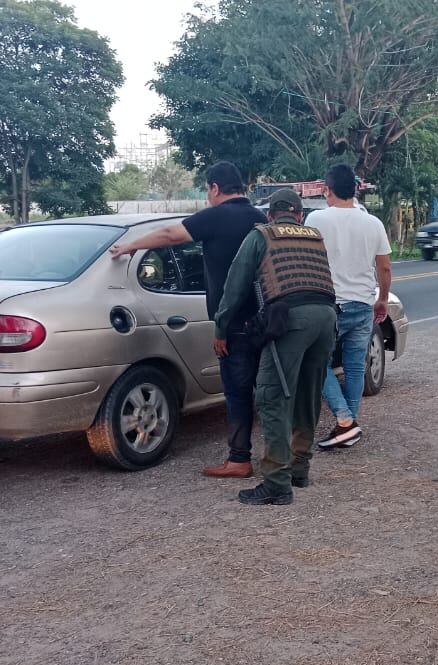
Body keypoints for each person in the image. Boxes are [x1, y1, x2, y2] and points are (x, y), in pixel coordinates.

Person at [109, 161, 266, 479]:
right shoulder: (259, 218)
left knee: (236, 391)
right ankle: (279, 456)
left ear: (214, 188)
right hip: (266, 318)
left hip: (232, 322)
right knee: (268, 389)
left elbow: (170, 234)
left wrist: (130, 246)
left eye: (208, 191)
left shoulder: (215, 216)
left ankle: (239, 459)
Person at [215, 189, 337, 505]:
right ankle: (300, 469)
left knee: (272, 395)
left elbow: (235, 285)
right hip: (326, 318)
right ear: (298, 215)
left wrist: (221, 327)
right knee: (308, 396)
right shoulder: (313, 236)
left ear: (271, 214)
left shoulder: (262, 236)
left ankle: (277, 483)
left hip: (290, 320)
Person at [306, 164, 391, 450]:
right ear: (355, 190)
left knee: (317, 362)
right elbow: (385, 268)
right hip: (364, 303)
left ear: (327, 190)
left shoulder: (316, 219)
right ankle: (349, 426)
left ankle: (345, 421)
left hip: (331, 305)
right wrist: (383, 299)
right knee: (355, 366)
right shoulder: (373, 223)